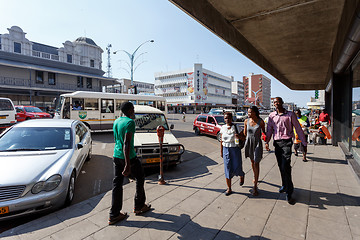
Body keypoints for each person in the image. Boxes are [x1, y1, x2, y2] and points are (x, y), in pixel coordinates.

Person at [109, 102, 151, 225]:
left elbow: (117, 140)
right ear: (128, 110)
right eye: (133, 109)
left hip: (116, 156)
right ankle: (139, 206)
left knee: (117, 184)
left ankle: (114, 214)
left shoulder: (116, 121)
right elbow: (126, 144)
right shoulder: (130, 122)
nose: (134, 111)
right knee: (140, 177)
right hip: (129, 158)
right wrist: (127, 164)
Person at [265, 97, 307, 205]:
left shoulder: (290, 115)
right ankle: (284, 184)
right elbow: (269, 129)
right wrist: (266, 141)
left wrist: (304, 142)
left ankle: (289, 192)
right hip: (277, 144)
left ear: (282, 103)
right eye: (275, 102)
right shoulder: (271, 116)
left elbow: (298, 128)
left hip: (287, 143)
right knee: (280, 166)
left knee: (286, 166)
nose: (276, 103)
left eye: (278, 102)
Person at [220, 112, 245, 196]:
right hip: (226, 149)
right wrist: (221, 151)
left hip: (235, 149)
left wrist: (239, 136)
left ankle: (241, 175)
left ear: (232, 118)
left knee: (237, 165)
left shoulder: (236, 127)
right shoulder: (223, 128)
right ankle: (229, 188)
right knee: (227, 168)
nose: (227, 120)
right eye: (225, 118)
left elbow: (244, 138)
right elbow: (221, 141)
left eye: (229, 118)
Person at [243, 106, 266, 196]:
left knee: (256, 163)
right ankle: (255, 175)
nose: (249, 114)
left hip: (257, 144)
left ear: (255, 112)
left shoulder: (261, 122)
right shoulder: (246, 121)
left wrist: (266, 142)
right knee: (252, 162)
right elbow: (245, 133)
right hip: (249, 143)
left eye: (250, 112)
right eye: (248, 112)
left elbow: (264, 133)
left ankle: (255, 186)